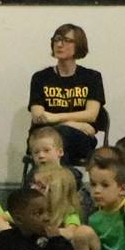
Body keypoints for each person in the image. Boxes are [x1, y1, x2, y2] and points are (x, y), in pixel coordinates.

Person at [27, 23, 104, 166]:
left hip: (80, 138)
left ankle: (45, 182)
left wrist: (55, 118)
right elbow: (38, 116)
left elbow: (91, 115)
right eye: (56, 39)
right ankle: (68, 180)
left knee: (63, 136)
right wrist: (72, 123)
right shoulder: (40, 77)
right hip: (44, 136)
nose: (59, 44)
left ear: (79, 45)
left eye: (67, 40)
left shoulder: (92, 77)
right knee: (57, 140)